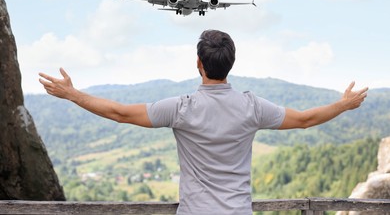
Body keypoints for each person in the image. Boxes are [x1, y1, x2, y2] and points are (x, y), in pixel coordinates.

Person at [39, 29, 368, 215]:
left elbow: (121, 113)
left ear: (198, 63)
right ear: (231, 63)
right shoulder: (252, 107)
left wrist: (73, 95)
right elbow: (306, 120)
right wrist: (344, 104)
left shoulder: (183, 108)